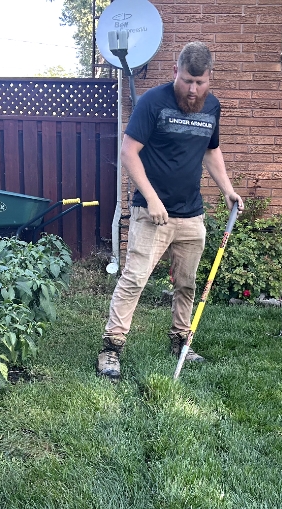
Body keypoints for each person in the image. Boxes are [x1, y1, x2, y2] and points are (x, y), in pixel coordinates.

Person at [96, 41, 243, 380]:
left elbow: (211, 151)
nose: (193, 90)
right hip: (152, 214)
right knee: (133, 280)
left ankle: (180, 342)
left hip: (191, 215)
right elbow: (129, 153)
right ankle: (111, 349)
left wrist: (228, 190)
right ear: (175, 72)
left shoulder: (212, 108)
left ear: (210, 79)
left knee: (187, 284)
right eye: (187, 81)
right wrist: (151, 198)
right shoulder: (152, 102)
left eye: (200, 82)